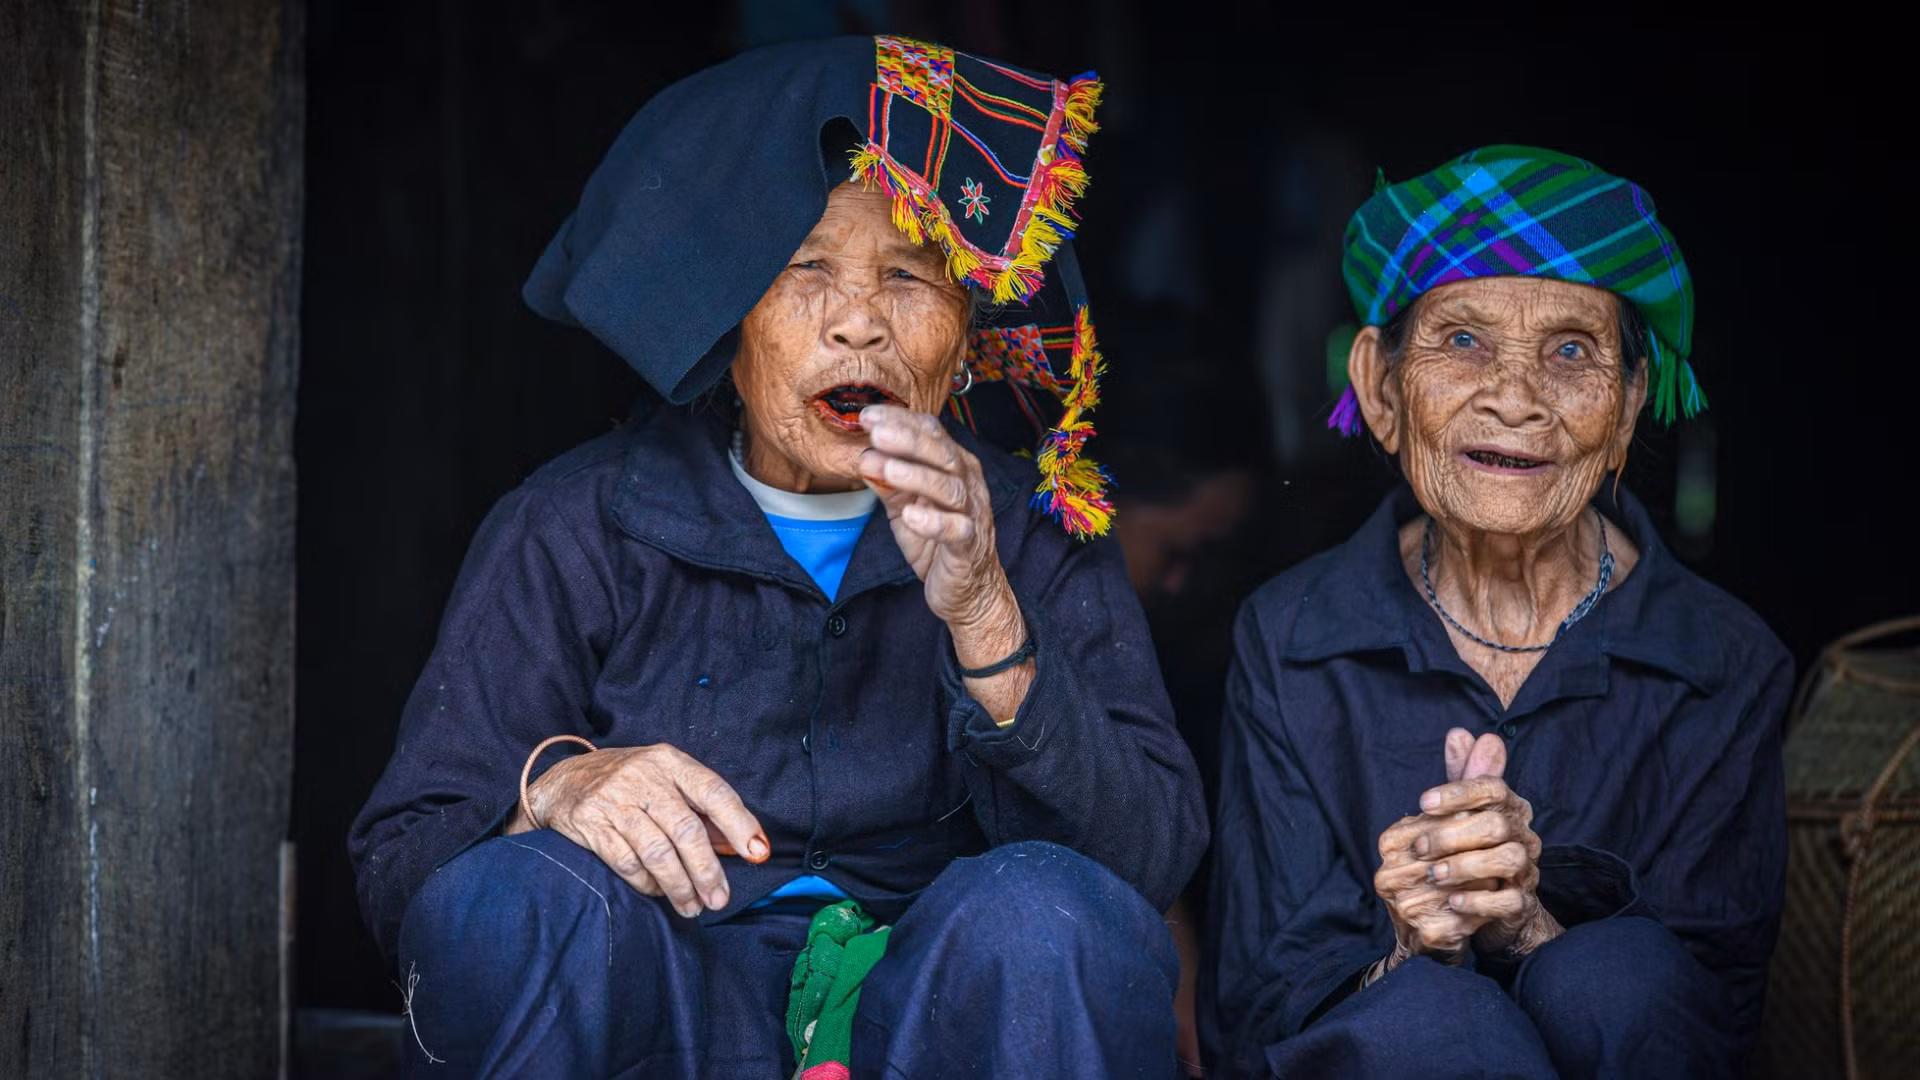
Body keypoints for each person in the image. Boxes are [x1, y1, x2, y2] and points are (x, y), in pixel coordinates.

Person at [348, 35, 1206, 1078]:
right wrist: (555, 787)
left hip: (933, 1027)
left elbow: (1150, 861)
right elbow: (405, 871)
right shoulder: (574, 525)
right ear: (732, 318)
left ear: (966, 326)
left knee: (1047, 914)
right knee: (514, 898)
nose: (859, 327)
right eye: (805, 269)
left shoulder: (1026, 529)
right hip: (668, 1020)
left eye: (910, 275)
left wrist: (985, 612)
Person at [1206, 146, 1790, 1079]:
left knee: (1617, 973)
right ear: (1381, 389)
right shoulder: (1289, 636)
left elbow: (1712, 1022)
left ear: (1630, 405)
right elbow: (1253, 1014)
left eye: (1570, 351)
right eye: (1463, 340)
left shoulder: (1724, 661)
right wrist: (1412, 952)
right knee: (1430, 1025)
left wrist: (1528, 925)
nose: (1515, 399)